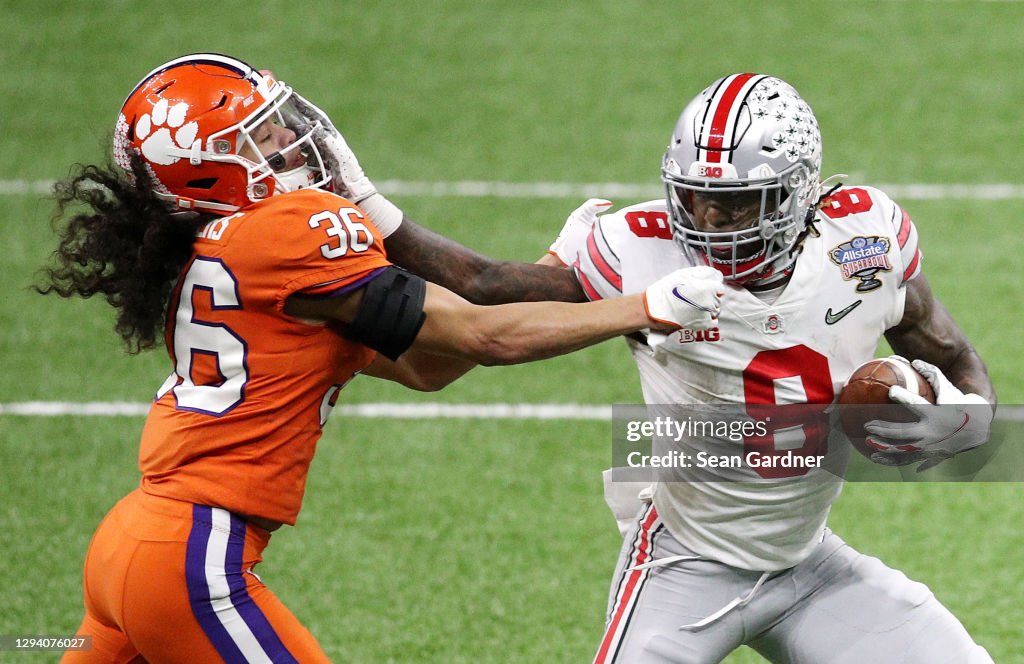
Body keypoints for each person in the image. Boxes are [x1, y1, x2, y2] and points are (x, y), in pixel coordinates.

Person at [39, 53, 726, 663]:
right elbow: (484, 335)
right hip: (192, 559)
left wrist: (549, 269)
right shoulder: (287, 232)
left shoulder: (215, 258)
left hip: (130, 545)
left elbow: (431, 366)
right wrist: (645, 306)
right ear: (204, 167)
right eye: (257, 135)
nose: (284, 139)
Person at [336, 74, 997, 662]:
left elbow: (955, 357)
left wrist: (961, 424)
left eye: (738, 202)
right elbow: (484, 289)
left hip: (810, 563)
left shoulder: (864, 241)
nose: (710, 219)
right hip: (683, 564)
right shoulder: (642, 247)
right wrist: (364, 200)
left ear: (796, 194)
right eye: (696, 197)